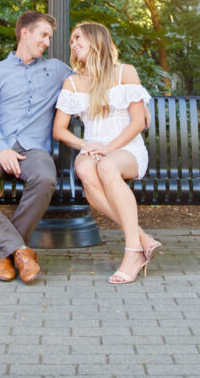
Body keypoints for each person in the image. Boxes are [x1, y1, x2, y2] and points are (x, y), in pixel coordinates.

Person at [0, 11, 72, 284]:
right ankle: (20, 251)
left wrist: (132, 97)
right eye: (43, 35)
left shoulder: (56, 70)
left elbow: (91, 78)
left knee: (45, 178)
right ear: (24, 33)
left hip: (34, 150)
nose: (47, 42)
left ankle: (6, 254)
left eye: (50, 37)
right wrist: (2, 149)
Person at [52, 22, 159, 284]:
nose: (73, 44)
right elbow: (59, 130)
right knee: (85, 168)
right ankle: (142, 238)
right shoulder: (74, 83)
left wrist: (108, 149)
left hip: (126, 149)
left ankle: (133, 251)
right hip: (93, 148)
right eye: (72, 40)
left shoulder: (125, 73)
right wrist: (86, 146)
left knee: (106, 167)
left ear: (96, 40)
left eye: (79, 39)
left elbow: (137, 123)